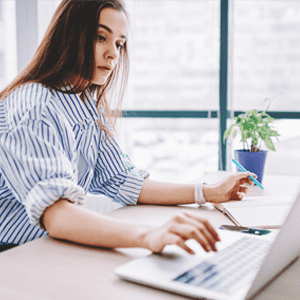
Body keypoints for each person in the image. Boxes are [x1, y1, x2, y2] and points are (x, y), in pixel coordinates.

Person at [0, 0, 255, 254]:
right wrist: (148, 236)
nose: (113, 53)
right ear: (69, 36)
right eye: (101, 37)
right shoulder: (34, 107)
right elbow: (57, 215)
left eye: (119, 43)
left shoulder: (86, 102)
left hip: (48, 248)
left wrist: (209, 193)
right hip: (12, 254)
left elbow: (124, 180)